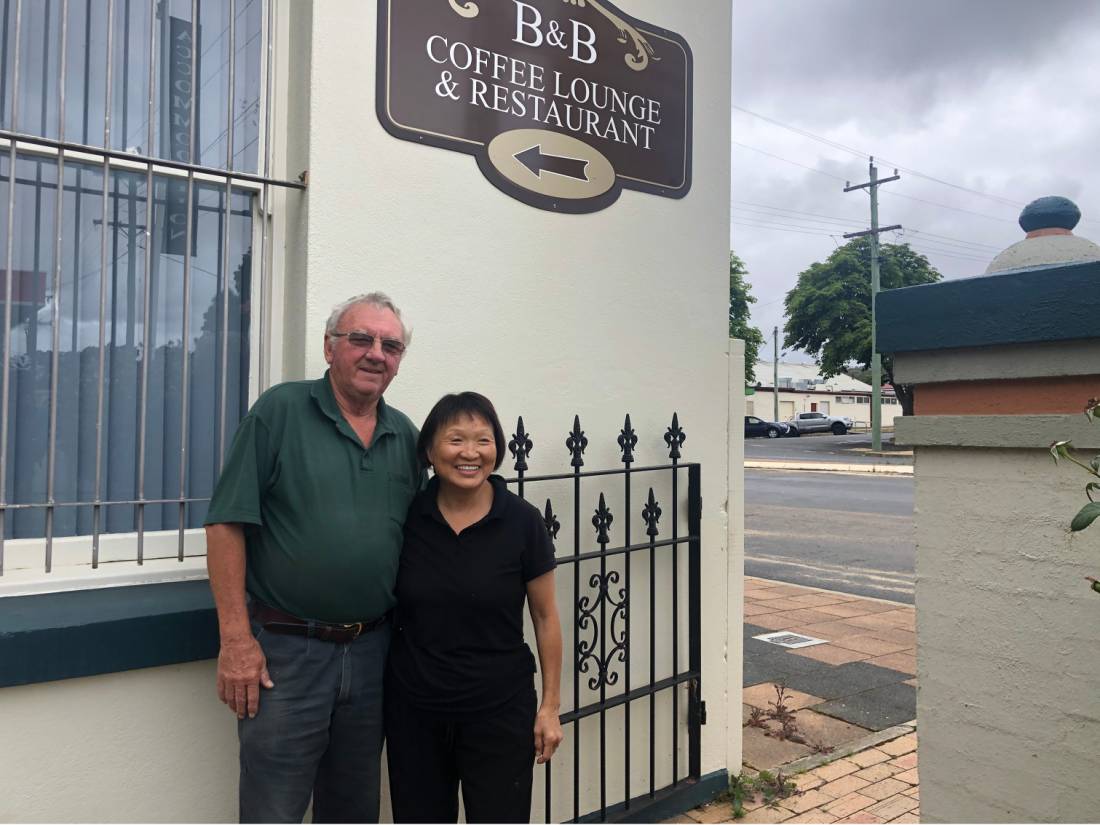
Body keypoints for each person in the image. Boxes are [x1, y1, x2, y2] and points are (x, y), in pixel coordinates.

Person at [203, 292, 422, 824]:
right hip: (287, 655)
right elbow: (226, 523)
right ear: (329, 348)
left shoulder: (406, 438)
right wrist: (236, 640)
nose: (376, 353)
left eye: (390, 345)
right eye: (361, 339)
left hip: (373, 654)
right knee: (272, 810)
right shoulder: (280, 411)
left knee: (352, 810)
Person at [385, 392, 564, 823]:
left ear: (497, 450)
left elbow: (545, 616)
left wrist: (551, 707)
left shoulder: (522, 521)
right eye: (456, 440)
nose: (470, 453)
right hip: (416, 710)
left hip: (499, 709)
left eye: (483, 441)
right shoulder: (407, 517)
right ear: (429, 450)